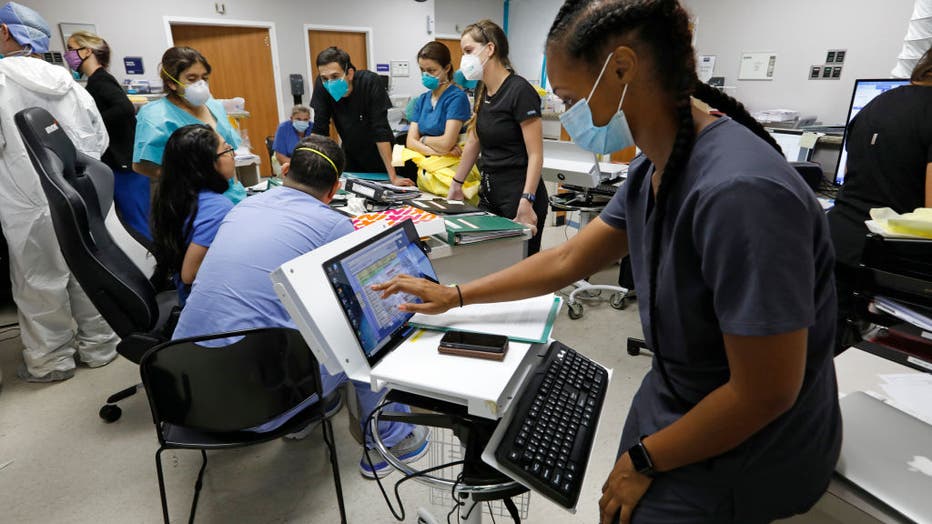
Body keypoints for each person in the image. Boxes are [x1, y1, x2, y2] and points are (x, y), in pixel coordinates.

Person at [374, 2, 841, 523]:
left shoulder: (742, 194)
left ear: (621, 69)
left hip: (750, 442)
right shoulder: (654, 167)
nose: (567, 112)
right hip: (680, 393)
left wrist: (644, 459)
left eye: (570, 99)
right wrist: (457, 296)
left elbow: (765, 392)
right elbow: (570, 256)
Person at [171, 134, 428, 479]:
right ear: (335, 189)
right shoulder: (334, 224)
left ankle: (313, 408)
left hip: (183, 392)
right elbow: (356, 303)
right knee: (368, 329)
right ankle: (390, 441)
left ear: (285, 170)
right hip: (261, 408)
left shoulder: (242, 207)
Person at [0, 2, 118, 382]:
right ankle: (100, 346)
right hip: (78, 195)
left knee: (38, 281)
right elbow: (98, 140)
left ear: (5, 32)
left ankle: (51, 362)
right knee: (87, 269)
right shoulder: (69, 83)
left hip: (27, 203)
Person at [827, 49, 932, 351]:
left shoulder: (875, 104)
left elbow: (851, 178)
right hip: (886, 267)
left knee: (827, 350)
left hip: (834, 243)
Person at [448, 20, 548, 256]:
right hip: (490, 192)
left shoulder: (520, 91)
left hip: (519, 195)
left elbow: (536, 154)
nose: (464, 59)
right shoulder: (482, 89)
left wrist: (527, 200)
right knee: (488, 263)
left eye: (468, 51)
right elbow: (474, 140)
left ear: (490, 49)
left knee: (521, 268)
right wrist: (456, 183)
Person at [65, 30, 151, 242]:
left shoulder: (100, 81)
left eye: (71, 49)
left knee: (137, 222)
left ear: (87, 51)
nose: (68, 55)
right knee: (135, 220)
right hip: (122, 163)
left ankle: (156, 261)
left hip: (125, 166)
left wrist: (91, 125)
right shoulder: (96, 81)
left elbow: (125, 108)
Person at [151, 125, 237, 306]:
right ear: (209, 163)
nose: (233, 154)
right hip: (210, 306)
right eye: (226, 150)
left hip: (189, 298)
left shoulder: (179, 196)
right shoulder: (217, 208)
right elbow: (190, 274)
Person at [133, 46, 241, 184]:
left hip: (229, 190)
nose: (200, 85)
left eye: (204, 78)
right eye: (191, 79)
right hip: (190, 193)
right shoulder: (154, 115)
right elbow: (141, 165)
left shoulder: (214, 106)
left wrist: (236, 188)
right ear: (172, 83)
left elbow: (229, 154)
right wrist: (189, 179)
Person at [309, 46, 413, 187]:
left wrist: (393, 177)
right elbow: (319, 130)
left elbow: (380, 130)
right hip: (352, 153)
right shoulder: (322, 86)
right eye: (325, 78)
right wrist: (311, 171)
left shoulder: (370, 82)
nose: (330, 83)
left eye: (335, 77)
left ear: (350, 73)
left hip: (383, 156)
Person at [407, 41, 471, 159]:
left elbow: (446, 143)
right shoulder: (422, 100)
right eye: (422, 70)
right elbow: (410, 142)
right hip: (428, 164)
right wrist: (440, 152)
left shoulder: (456, 98)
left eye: (431, 70)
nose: (426, 75)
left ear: (447, 68)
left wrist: (423, 139)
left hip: (450, 166)